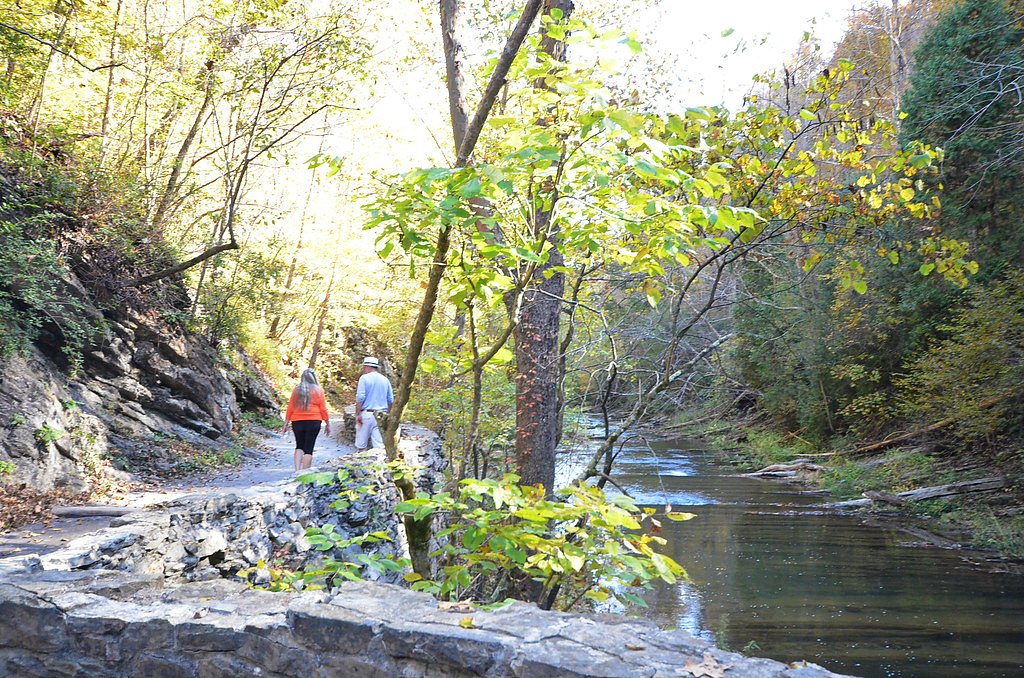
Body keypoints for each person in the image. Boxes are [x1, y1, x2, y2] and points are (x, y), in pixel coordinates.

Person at [281, 368, 331, 471]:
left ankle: (297, 470)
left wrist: (286, 423)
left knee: (299, 445)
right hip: (314, 421)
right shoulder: (318, 390)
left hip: (297, 421)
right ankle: (305, 472)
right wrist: (327, 423)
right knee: (309, 447)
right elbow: (323, 409)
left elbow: (290, 407)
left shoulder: (296, 390)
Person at [354, 356, 393, 451]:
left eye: (364, 367)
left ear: (367, 366)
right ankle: (379, 464)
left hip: (367, 414)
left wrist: (358, 414)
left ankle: (361, 464)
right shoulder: (385, 380)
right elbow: (390, 399)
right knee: (379, 446)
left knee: (361, 445)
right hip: (381, 415)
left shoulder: (364, 378)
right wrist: (388, 413)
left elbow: (360, 397)